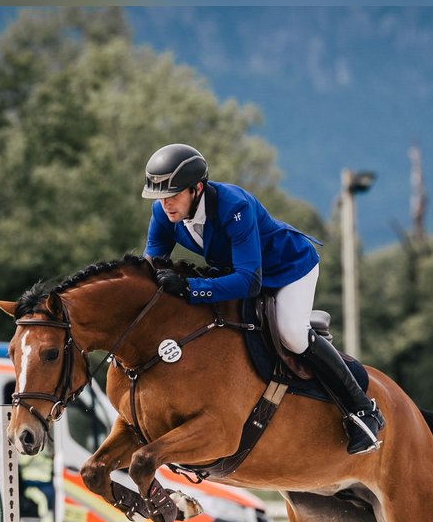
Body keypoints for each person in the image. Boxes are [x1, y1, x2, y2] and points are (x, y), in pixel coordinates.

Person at [141, 143, 384, 455]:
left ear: (197, 188)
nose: (166, 205)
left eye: (173, 196)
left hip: (289, 269)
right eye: (160, 197)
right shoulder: (163, 213)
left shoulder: (233, 206)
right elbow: (151, 269)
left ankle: (363, 410)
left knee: (292, 335)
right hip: (236, 272)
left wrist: (189, 288)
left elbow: (249, 281)